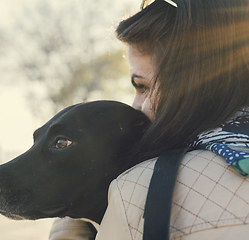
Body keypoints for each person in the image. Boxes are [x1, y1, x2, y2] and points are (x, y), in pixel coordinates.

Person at [49, 0, 249, 239]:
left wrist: (69, 224)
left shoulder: (135, 187)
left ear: (194, 85)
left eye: (142, 86)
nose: (136, 106)